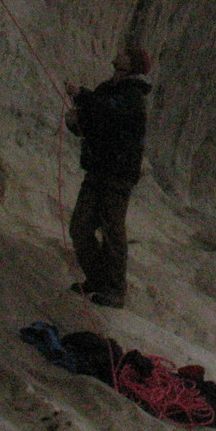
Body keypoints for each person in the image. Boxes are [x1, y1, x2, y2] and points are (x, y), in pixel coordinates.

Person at [65, 47, 151, 308]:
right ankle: (98, 279)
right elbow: (95, 120)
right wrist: (77, 121)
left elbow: (111, 113)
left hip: (118, 175)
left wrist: (82, 97)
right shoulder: (107, 90)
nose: (115, 68)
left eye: (121, 65)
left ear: (132, 69)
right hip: (98, 169)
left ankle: (114, 289)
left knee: (112, 230)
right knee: (80, 226)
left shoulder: (133, 97)